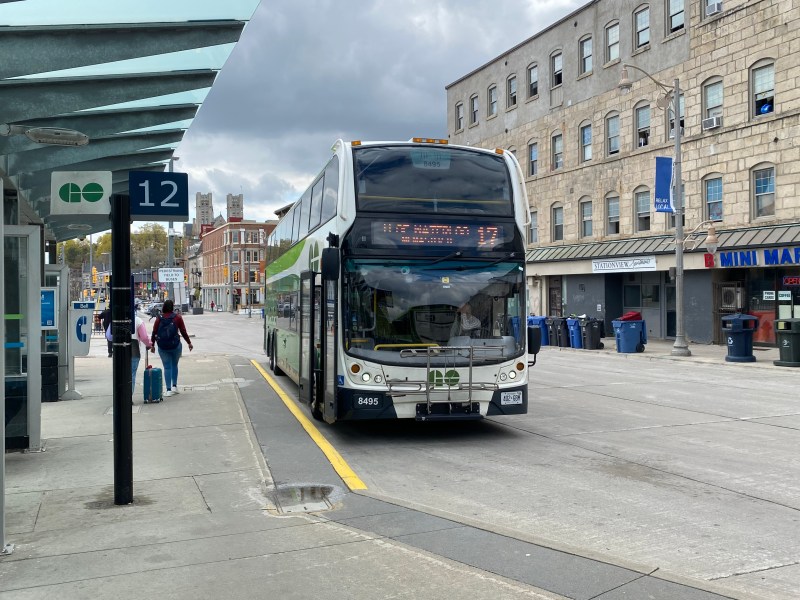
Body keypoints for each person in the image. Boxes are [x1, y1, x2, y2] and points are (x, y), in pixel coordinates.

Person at [150, 299, 193, 397]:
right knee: (174, 365)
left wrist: (152, 345)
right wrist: (189, 343)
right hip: (175, 346)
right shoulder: (177, 317)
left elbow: (154, 332)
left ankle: (168, 390)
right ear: (172, 307)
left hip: (162, 347)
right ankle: (174, 386)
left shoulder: (159, 318)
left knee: (167, 367)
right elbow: (183, 331)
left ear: (164, 307)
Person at [131, 315, 153, 396]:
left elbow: (109, 336)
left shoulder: (115, 318)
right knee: (131, 374)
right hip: (133, 349)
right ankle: (128, 397)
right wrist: (149, 344)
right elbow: (144, 337)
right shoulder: (137, 320)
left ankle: (120, 397)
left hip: (118, 350)